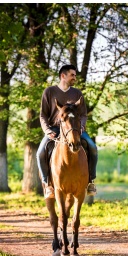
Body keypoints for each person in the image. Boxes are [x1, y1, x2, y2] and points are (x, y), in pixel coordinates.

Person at [36, 64, 98, 198]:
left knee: (92, 147)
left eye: (75, 75)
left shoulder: (77, 93)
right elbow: (43, 115)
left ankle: (91, 181)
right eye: (72, 75)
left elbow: (83, 115)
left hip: (75, 129)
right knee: (40, 152)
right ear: (63, 76)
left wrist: (81, 126)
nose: (75, 78)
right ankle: (47, 184)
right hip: (54, 128)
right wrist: (47, 130)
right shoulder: (49, 92)